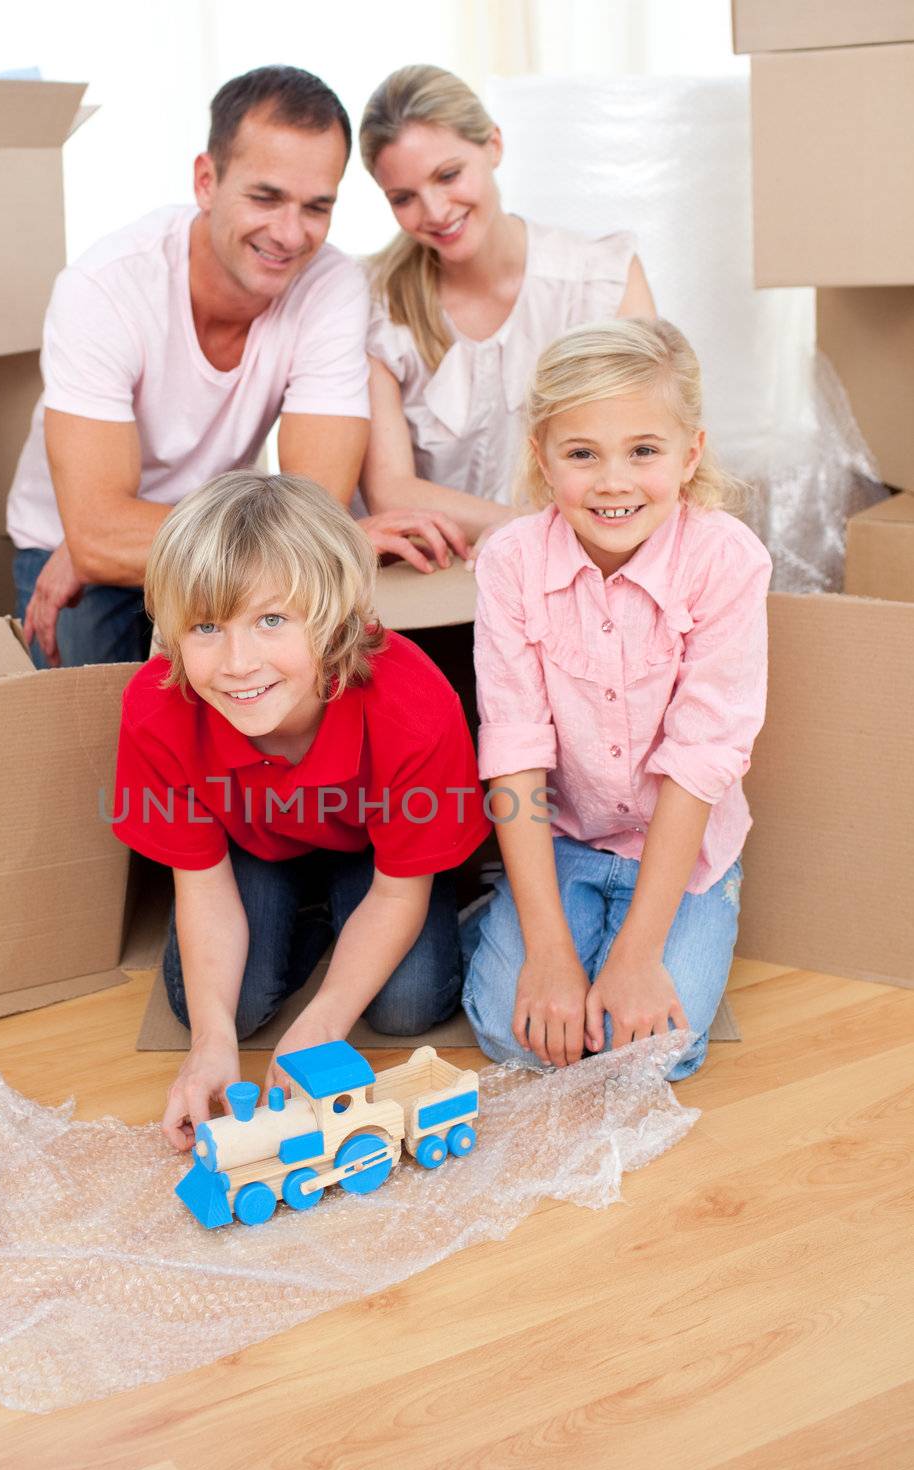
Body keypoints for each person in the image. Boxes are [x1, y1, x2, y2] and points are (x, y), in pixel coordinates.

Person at [8, 64, 469, 669]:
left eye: (316, 207)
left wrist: (119, 533)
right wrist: (98, 539)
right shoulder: (105, 287)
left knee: (289, 695)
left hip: (223, 544)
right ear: (206, 181)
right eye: (265, 197)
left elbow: (314, 510)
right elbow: (97, 535)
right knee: (96, 746)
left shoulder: (331, 286)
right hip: (75, 553)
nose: (289, 234)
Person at [109, 471, 490, 1150]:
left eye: (272, 620)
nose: (237, 662)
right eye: (205, 627)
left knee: (409, 1005)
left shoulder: (413, 706)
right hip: (254, 848)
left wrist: (322, 1022)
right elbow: (201, 884)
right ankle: (309, 922)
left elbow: (399, 890)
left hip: (376, 856)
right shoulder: (157, 708)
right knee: (230, 1008)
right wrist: (210, 1043)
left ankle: (334, 927)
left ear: (335, 615)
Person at [462, 317, 771, 1083]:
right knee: (516, 1037)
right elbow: (515, 753)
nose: (612, 482)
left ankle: (625, 942)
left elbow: (701, 759)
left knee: (652, 1054)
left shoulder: (726, 559)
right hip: (563, 837)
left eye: (643, 451)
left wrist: (635, 957)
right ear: (542, 458)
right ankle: (510, 920)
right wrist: (547, 950)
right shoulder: (509, 563)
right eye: (581, 454)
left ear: (690, 452)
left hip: (682, 851)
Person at [356, 64, 657, 542]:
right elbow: (391, 491)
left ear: (493, 145)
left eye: (449, 175)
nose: (435, 212)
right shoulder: (375, 302)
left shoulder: (600, 279)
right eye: (404, 197)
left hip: (584, 565)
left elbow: (645, 449)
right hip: (434, 582)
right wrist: (531, 533)